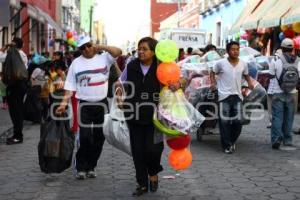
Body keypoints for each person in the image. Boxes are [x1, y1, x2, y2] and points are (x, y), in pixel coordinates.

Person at [117, 37, 186, 196]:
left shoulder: (162, 67)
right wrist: (119, 96)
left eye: (144, 49)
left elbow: (183, 78)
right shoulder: (132, 65)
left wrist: (178, 84)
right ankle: (141, 183)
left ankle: (153, 173)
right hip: (133, 114)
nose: (140, 52)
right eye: (139, 49)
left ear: (154, 52)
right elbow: (120, 83)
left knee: (153, 150)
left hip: (156, 117)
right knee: (138, 151)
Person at [55, 36, 122, 179]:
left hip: (102, 104)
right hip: (84, 104)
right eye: (82, 48)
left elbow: (118, 52)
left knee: (99, 137)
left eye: (88, 45)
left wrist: (101, 47)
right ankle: (81, 167)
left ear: (93, 45)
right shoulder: (76, 64)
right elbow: (70, 87)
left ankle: (91, 166)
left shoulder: (105, 58)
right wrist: (63, 104)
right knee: (84, 137)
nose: (86, 49)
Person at [210, 41, 254, 154]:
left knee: (238, 121)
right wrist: (213, 83)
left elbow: (246, 74)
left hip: (237, 96)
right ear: (228, 51)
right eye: (233, 49)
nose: (235, 51)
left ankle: (232, 141)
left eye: (237, 49)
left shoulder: (243, 63)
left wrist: (250, 83)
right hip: (223, 96)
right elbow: (212, 71)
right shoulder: (221, 63)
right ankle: (227, 145)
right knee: (224, 122)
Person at [269, 38, 300, 149]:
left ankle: (276, 139)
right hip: (293, 93)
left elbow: (271, 76)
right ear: (292, 48)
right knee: (289, 117)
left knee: (277, 117)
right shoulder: (298, 60)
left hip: (278, 92)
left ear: (281, 48)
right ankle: (287, 140)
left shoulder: (276, 60)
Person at [0, 37, 28, 145]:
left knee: (15, 112)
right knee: (18, 111)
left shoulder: (12, 55)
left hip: (15, 86)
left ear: (13, 45)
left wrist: (5, 47)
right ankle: (17, 134)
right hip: (21, 85)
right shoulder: (23, 55)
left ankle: (18, 136)